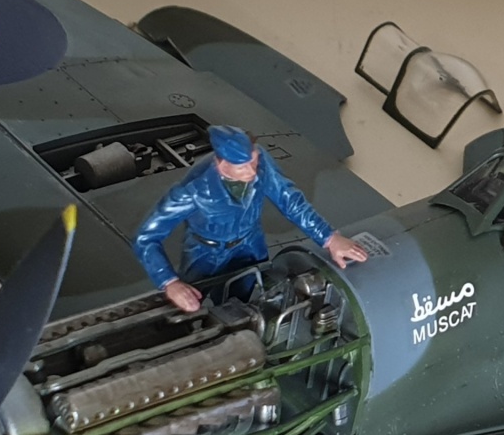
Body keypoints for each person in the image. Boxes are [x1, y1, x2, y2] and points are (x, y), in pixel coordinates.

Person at [134, 125, 368, 313]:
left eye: (253, 161)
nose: (253, 172)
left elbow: (289, 200)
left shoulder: (260, 161)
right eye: (242, 167)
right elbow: (145, 238)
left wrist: (329, 238)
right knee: (187, 308)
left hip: (249, 248)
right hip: (205, 255)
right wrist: (169, 282)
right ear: (221, 164)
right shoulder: (192, 191)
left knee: (245, 305)